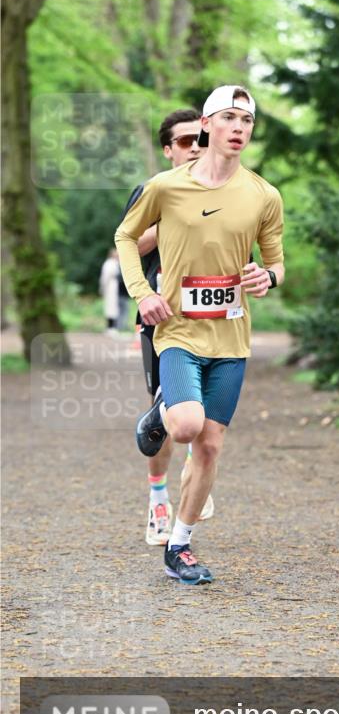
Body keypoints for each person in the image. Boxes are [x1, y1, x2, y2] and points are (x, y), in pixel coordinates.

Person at [115, 85, 285, 585]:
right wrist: (142, 291)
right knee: (186, 427)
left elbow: (276, 265)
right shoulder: (166, 187)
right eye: (229, 118)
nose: (239, 128)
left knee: (209, 447)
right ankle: (165, 407)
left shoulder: (263, 195)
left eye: (247, 121)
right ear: (206, 126)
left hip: (232, 337)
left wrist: (266, 278)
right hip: (177, 329)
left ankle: (180, 546)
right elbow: (125, 236)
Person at [121, 108, 215, 546]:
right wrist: (173, 217)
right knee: (163, 412)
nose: (194, 148)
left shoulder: (226, 190)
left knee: (207, 416)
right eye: (183, 142)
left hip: (213, 320)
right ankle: (159, 501)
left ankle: (195, 476)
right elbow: (130, 242)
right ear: (168, 149)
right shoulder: (154, 190)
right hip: (162, 320)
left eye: (200, 139)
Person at [99, 248, 120, 334]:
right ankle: (110, 327)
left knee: (114, 307)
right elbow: (105, 277)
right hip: (109, 287)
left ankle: (112, 327)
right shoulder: (109, 264)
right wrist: (103, 288)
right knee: (110, 307)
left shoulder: (115, 263)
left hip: (114, 286)